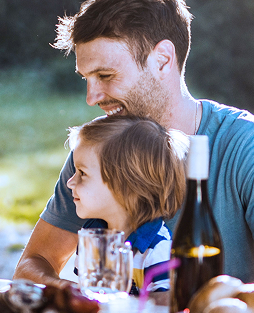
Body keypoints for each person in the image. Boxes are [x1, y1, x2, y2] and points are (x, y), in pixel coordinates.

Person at [14, 0, 254, 311]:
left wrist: (193, 303)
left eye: (105, 75)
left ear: (162, 59)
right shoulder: (99, 151)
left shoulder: (248, 144)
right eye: (86, 79)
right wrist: (84, 299)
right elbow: (32, 265)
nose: (92, 98)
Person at [66, 115, 187, 297]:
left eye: (82, 173)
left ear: (127, 187)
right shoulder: (92, 235)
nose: (70, 182)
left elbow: (164, 306)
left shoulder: (157, 250)